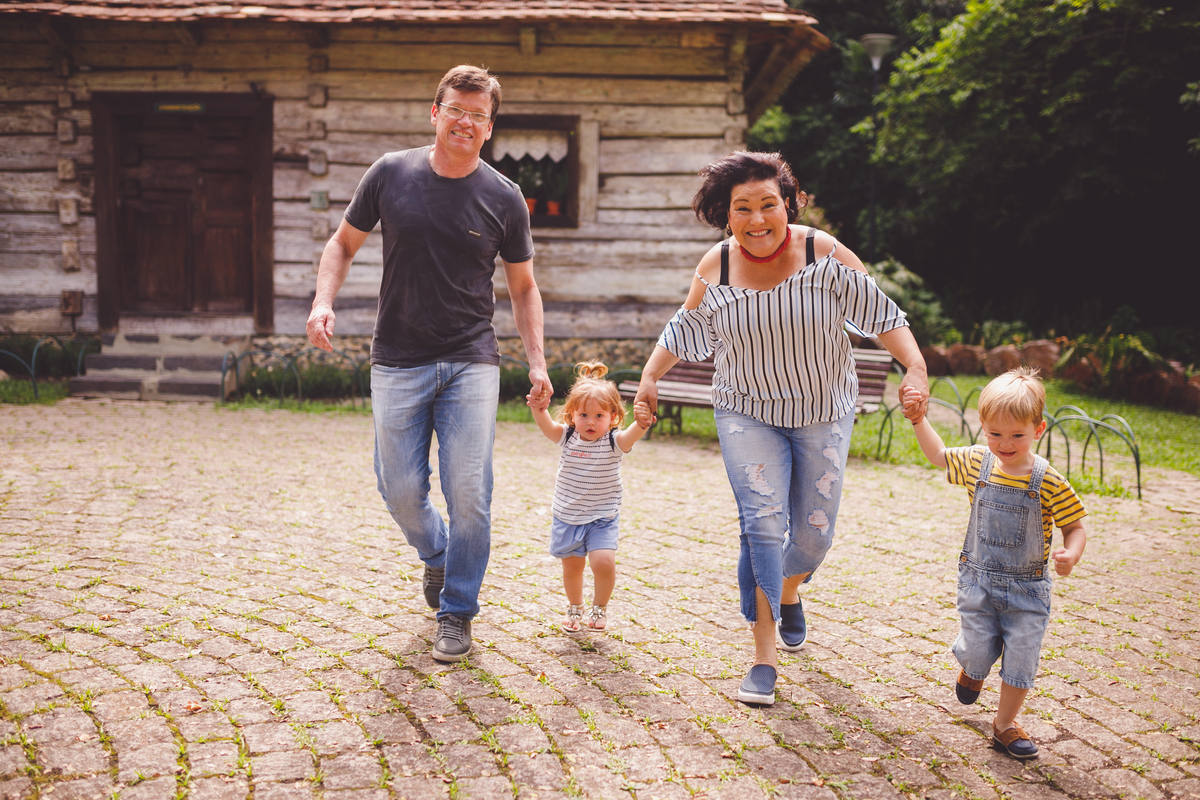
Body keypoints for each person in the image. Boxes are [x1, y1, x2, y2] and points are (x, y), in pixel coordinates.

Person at [634, 151, 930, 706]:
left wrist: (914, 366)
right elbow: (684, 326)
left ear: (787, 204)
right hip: (746, 409)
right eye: (742, 208)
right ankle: (762, 657)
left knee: (814, 535)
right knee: (763, 525)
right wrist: (650, 377)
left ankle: (789, 591)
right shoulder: (716, 266)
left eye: (768, 204)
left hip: (823, 409)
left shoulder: (822, 253)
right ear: (727, 214)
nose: (757, 219)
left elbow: (882, 313)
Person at [306, 65, 552, 663]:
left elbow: (523, 288)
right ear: (435, 112)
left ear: (489, 127)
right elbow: (342, 243)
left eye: (478, 115)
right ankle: (439, 556)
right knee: (400, 488)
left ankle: (458, 610)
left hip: (471, 357)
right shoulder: (391, 173)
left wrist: (538, 362)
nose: (465, 122)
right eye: (456, 110)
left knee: (470, 490)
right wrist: (323, 301)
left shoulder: (502, 197)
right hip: (397, 357)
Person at [903, 368, 1086, 759]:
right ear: (982, 427)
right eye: (995, 434)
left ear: (1038, 429)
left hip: (1027, 592)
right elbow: (937, 455)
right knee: (977, 649)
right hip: (979, 584)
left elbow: (1075, 525)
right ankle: (973, 667)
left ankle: (1003, 725)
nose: (1005, 444)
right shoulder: (976, 463)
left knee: (1021, 659)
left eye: (1017, 435)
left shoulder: (1048, 479)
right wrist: (919, 420)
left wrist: (1072, 553)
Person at [529, 362, 654, 633]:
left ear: (613, 417)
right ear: (573, 415)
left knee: (603, 561)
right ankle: (575, 607)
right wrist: (539, 409)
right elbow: (547, 427)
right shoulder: (567, 436)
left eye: (599, 416)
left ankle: (600, 607)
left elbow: (633, 435)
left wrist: (642, 423)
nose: (591, 422)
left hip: (602, 516)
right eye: (584, 415)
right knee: (573, 568)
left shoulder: (614, 442)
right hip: (568, 515)